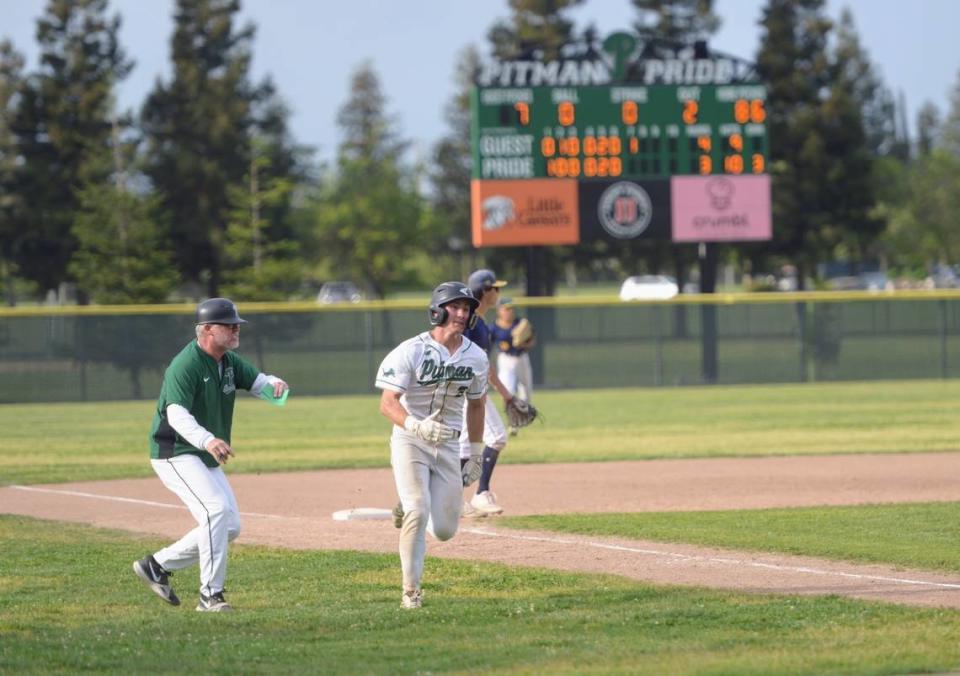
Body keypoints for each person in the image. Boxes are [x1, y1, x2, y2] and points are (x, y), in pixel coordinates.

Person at [132, 298, 289, 613]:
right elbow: (176, 414)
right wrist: (207, 440)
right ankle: (210, 596)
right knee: (215, 512)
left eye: (236, 324)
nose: (235, 329)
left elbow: (260, 384)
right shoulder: (185, 365)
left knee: (230, 526)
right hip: (174, 452)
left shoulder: (229, 361)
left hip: (201, 453)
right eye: (228, 325)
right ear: (205, 330)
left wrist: (275, 386)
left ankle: (157, 565)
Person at [376, 282, 488, 609]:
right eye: (455, 306)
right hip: (412, 439)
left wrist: (477, 453)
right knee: (417, 510)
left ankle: (406, 501)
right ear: (438, 310)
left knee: (444, 529)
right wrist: (415, 424)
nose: (462, 313)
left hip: (449, 446)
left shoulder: (476, 357)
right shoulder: (410, 350)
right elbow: (387, 403)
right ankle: (411, 592)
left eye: (466, 308)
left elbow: (478, 405)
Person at [459, 268, 515, 517]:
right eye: (496, 288)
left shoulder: (480, 323)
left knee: (464, 447)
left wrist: (507, 395)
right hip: (464, 391)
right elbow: (456, 354)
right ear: (485, 290)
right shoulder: (469, 321)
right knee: (496, 437)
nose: (499, 293)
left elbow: (485, 365)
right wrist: (473, 390)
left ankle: (455, 498)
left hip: (472, 391)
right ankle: (478, 494)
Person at [490, 296, 536, 435]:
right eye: (506, 309)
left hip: (522, 358)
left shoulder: (520, 323)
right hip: (505, 360)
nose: (510, 311)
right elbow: (488, 347)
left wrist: (524, 343)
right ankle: (513, 423)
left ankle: (519, 419)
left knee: (526, 393)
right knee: (508, 391)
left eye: (511, 309)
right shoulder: (493, 328)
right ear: (499, 311)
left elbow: (532, 341)